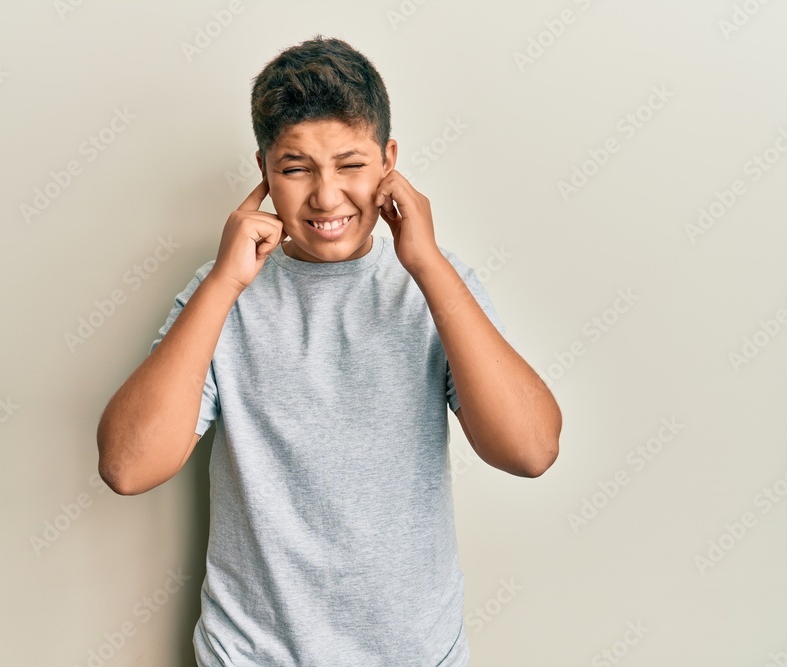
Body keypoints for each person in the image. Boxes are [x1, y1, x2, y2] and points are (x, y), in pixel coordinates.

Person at [96, 34, 561, 667]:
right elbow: (127, 466)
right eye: (295, 169)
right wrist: (224, 284)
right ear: (263, 170)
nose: (325, 196)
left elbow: (531, 451)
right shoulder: (222, 293)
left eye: (350, 164)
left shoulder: (434, 283)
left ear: (389, 161)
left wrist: (423, 261)